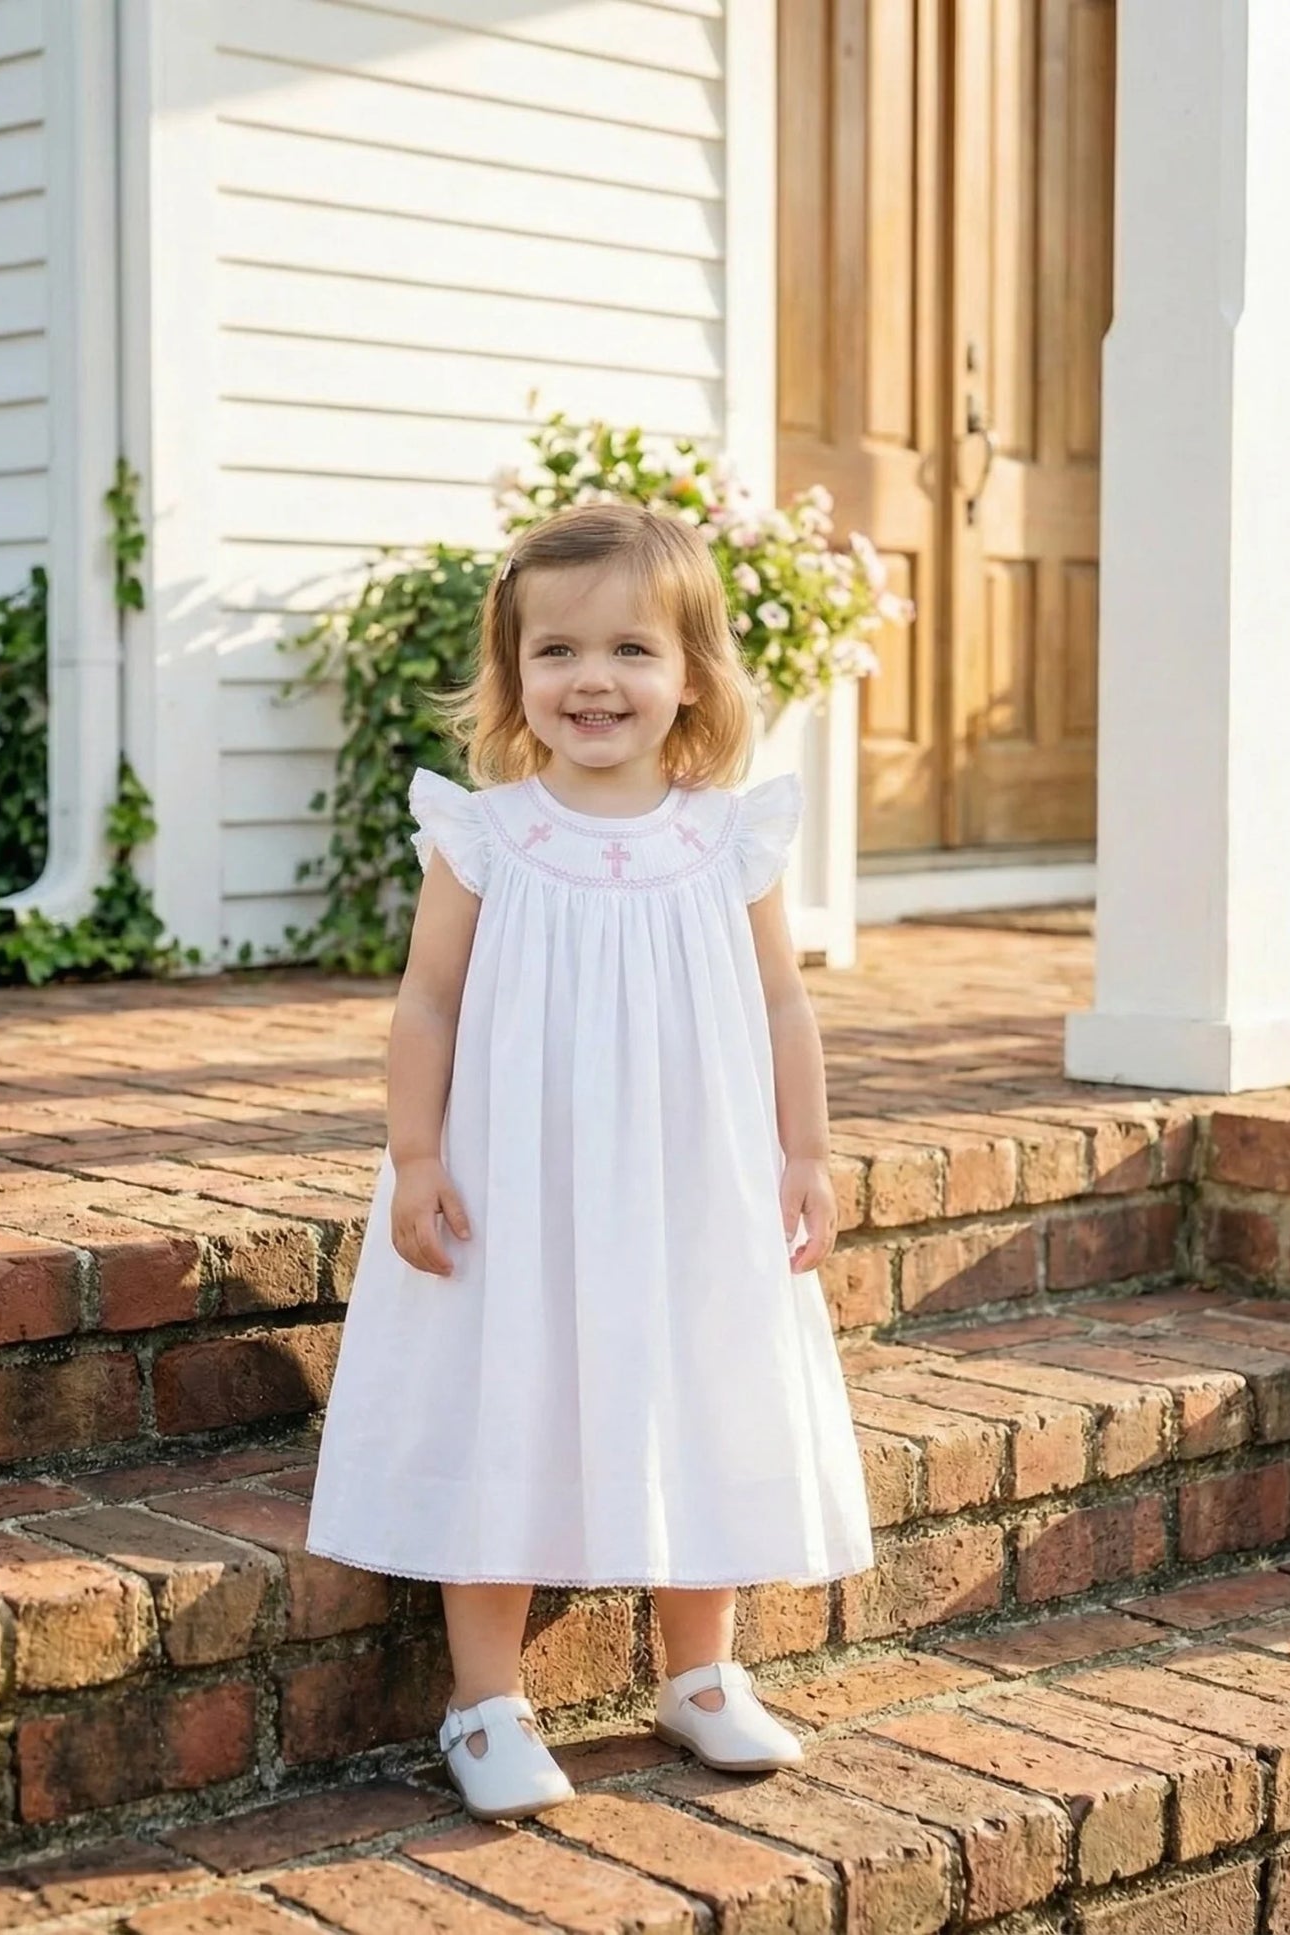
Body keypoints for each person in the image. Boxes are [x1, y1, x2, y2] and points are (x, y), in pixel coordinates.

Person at [305, 501, 873, 1822]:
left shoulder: (725, 835)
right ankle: (486, 1697)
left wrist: (805, 1153)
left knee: (700, 1373)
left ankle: (700, 1673)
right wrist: (412, 1154)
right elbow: (428, 1002)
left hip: (688, 1176)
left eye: (630, 648)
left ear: (688, 674)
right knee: (499, 1384)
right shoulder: (486, 835)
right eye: (556, 651)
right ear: (513, 676)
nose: (594, 679)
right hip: (517, 1179)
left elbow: (782, 1003)